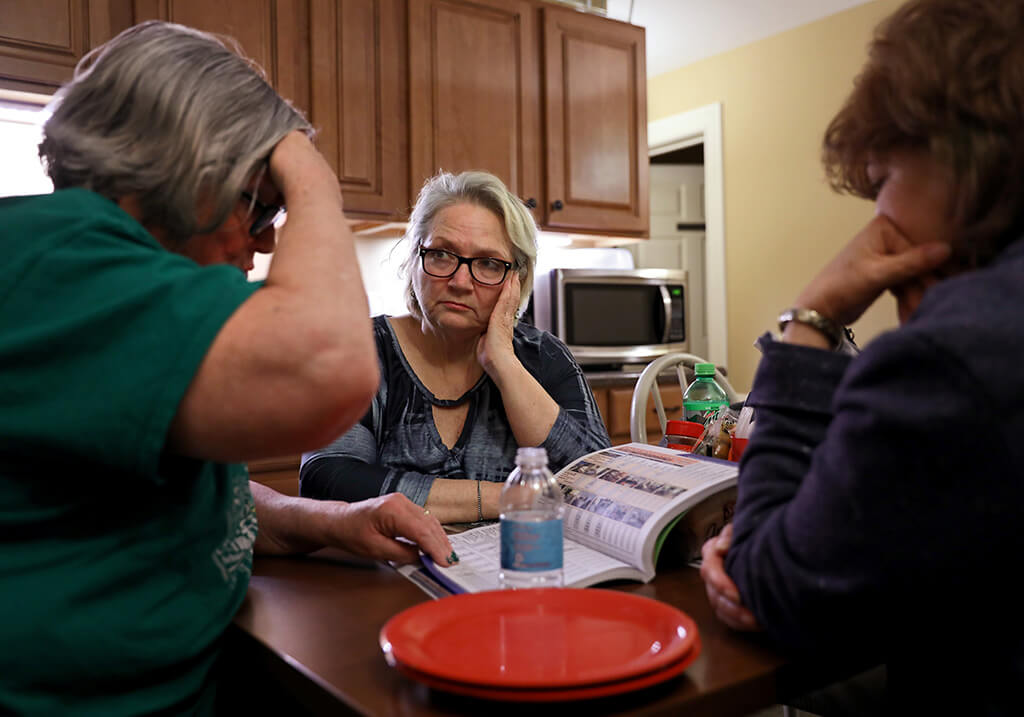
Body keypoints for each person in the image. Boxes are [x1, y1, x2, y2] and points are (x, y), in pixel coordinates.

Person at [0, 21, 454, 715]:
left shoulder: (119, 280)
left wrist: (326, 521)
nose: (269, 236)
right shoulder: (58, 257)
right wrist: (306, 168)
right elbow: (329, 370)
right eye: (257, 201)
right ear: (186, 167)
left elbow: (206, 497)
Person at [699, 0, 1024, 713]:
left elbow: (769, 583)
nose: (876, 220)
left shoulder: (948, 353)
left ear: (966, 147)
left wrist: (810, 318)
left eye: (881, 182)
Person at [300, 171, 611, 523]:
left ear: (515, 280)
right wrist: (512, 497)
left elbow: (601, 484)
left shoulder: (544, 356)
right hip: (389, 574)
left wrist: (504, 363)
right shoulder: (362, 348)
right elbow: (326, 480)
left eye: (489, 264)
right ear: (415, 259)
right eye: (442, 255)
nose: (460, 281)